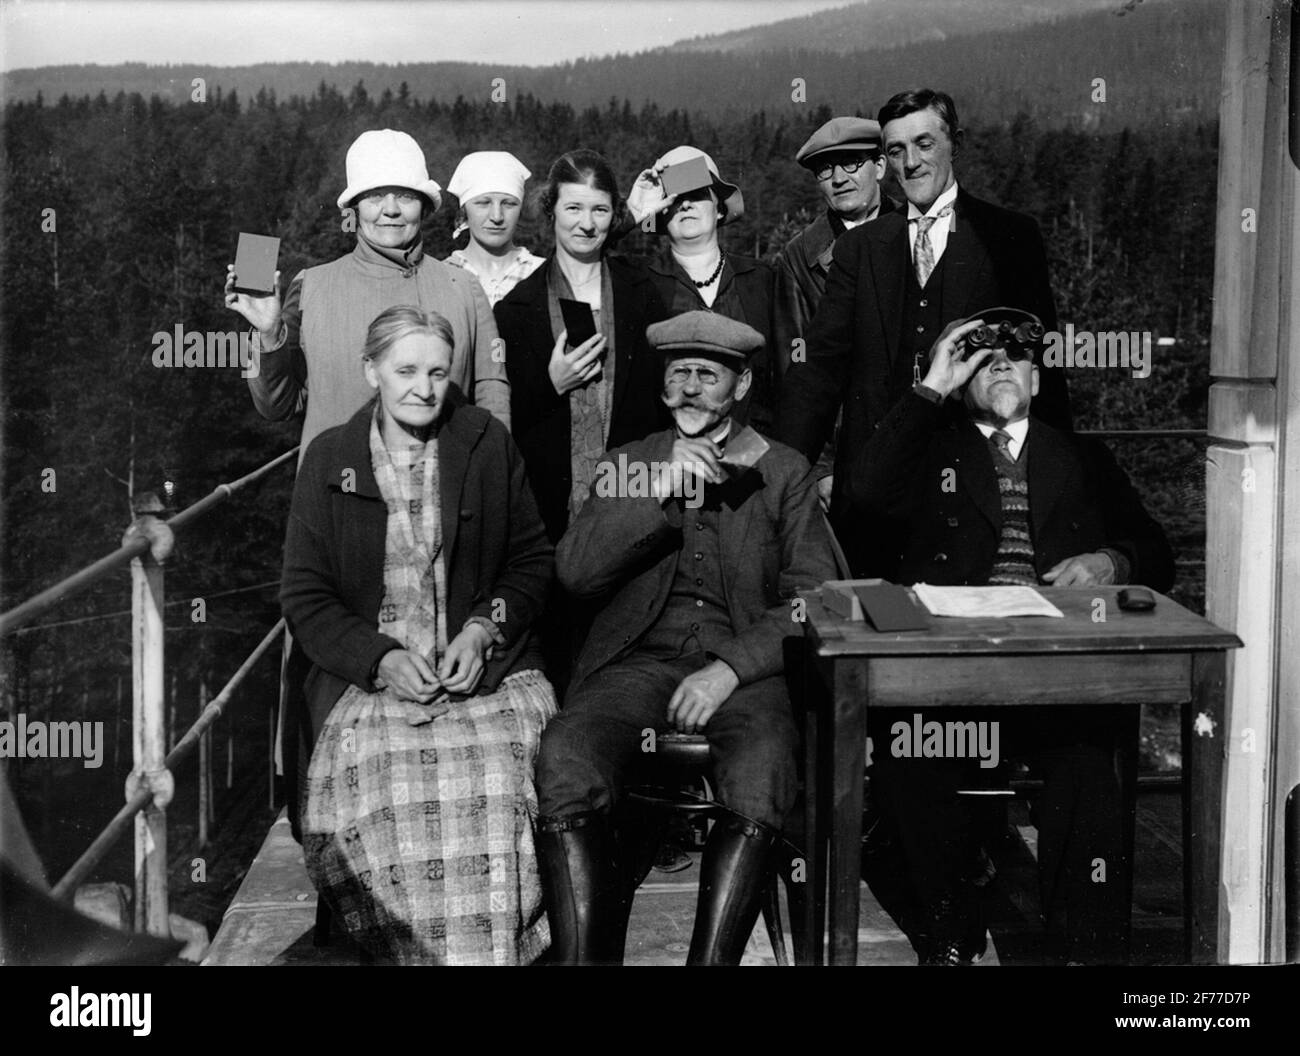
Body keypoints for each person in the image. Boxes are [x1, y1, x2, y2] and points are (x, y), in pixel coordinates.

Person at [857, 307, 1174, 964]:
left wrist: (1109, 562)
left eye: (1016, 357)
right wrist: (928, 389)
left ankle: (1082, 951)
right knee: (912, 759)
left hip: (1057, 679)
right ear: (958, 379)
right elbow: (859, 502)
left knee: (1091, 767)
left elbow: (1153, 546)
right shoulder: (928, 449)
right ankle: (947, 933)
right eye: (982, 359)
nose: (1002, 365)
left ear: (1036, 374)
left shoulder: (1080, 455)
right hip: (952, 677)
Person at [534, 311, 840, 965]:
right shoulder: (625, 463)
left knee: (763, 762)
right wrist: (657, 493)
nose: (693, 388)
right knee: (566, 752)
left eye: (709, 374)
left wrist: (731, 667)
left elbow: (814, 600)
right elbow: (575, 574)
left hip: (747, 677)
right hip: (637, 666)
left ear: (741, 385)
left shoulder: (784, 472)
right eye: (679, 375)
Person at [280, 305, 556, 965]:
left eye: (437, 371)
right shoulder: (330, 459)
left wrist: (485, 627)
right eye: (405, 370)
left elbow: (531, 561)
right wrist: (379, 658)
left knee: (496, 766)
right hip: (367, 680)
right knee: (385, 774)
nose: (424, 389)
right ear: (371, 369)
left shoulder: (485, 442)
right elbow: (304, 595)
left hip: (486, 673)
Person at [778, 89, 1070, 576]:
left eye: (925, 144)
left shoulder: (1010, 238)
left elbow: (1045, 366)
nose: (910, 163)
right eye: (896, 151)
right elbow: (819, 371)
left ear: (956, 143)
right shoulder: (862, 248)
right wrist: (780, 474)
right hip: (874, 500)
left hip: (976, 497)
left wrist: (1060, 491)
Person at [226, 128, 508, 453]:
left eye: (405, 196)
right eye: (375, 196)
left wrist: (493, 474)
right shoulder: (311, 286)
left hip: (446, 492)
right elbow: (275, 407)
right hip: (337, 494)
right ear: (355, 207)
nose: (390, 209)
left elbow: (492, 389)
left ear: (425, 206)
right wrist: (268, 335)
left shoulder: (464, 287)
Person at [773, 116, 898, 508]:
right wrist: (820, 469)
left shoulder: (917, 232)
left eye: (851, 163)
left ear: (879, 167)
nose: (839, 178)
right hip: (844, 451)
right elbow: (795, 371)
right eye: (825, 169)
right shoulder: (799, 255)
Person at [625, 146, 775, 428]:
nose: (686, 205)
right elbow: (583, 249)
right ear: (660, 212)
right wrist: (633, 213)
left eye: (697, 194)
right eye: (674, 197)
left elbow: (787, 374)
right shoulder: (636, 280)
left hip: (750, 456)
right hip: (664, 459)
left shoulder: (762, 278)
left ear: (719, 209)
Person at [444, 150, 545, 307]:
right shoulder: (441, 275)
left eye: (509, 204)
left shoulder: (544, 274)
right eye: (483, 203)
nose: (497, 217)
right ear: (464, 210)